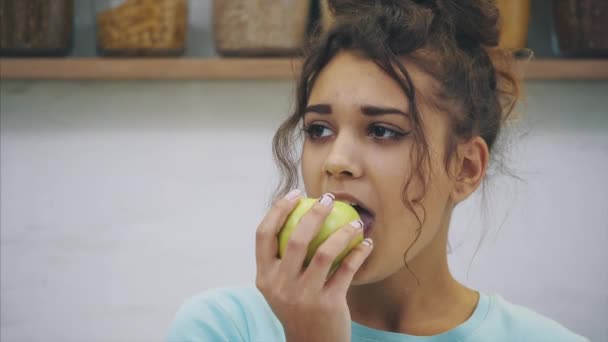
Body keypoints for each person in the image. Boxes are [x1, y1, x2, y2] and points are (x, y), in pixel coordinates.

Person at [167, 1, 589, 341]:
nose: (336, 160)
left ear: (465, 168)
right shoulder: (223, 328)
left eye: (383, 131)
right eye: (319, 129)